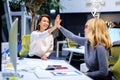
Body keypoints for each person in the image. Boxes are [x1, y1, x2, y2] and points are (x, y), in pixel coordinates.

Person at [55, 15, 112, 80]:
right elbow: (72, 37)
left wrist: (86, 74)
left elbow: (103, 72)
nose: (84, 30)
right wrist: (59, 27)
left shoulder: (100, 48)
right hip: (91, 76)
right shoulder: (87, 42)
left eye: (86, 27)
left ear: (94, 30)